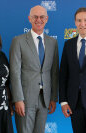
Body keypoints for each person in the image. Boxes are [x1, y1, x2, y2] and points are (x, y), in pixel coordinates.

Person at [9, 5, 59, 133]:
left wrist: (53, 97)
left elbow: (54, 72)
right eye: (35, 17)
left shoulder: (53, 42)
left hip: (44, 99)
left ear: (47, 19)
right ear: (29, 19)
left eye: (42, 17)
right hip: (25, 99)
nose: (39, 20)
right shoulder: (18, 41)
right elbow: (15, 73)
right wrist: (18, 99)